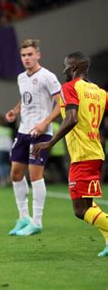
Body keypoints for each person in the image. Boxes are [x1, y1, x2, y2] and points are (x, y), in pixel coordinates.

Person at [33, 52, 108, 257]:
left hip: (82, 155)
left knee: (80, 210)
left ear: (75, 66)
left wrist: (50, 142)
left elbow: (72, 118)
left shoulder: (69, 88)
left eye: (66, 66)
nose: (64, 69)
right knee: (89, 205)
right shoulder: (101, 92)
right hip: (96, 152)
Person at [5, 39, 61, 236]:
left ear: (38, 55)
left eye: (30, 54)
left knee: (35, 176)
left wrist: (45, 122)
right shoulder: (21, 77)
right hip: (23, 131)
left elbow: (61, 103)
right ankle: (23, 217)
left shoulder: (48, 77)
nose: (27, 58)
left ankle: (37, 222)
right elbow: (25, 98)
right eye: (23, 55)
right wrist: (14, 110)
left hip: (41, 133)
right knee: (15, 173)